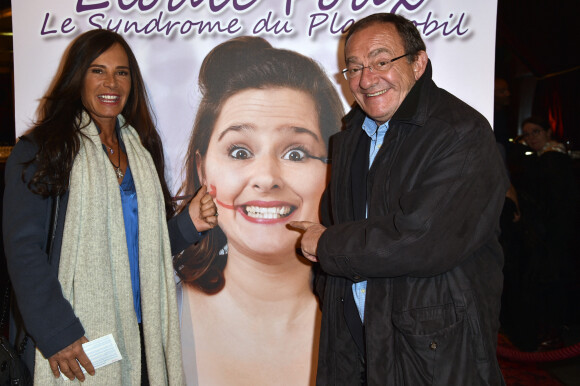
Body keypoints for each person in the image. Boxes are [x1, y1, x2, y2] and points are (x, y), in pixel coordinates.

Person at [290, 13, 509, 384]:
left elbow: (420, 239)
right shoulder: (351, 135)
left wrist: (326, 245)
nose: (366, 78)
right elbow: (338, 218)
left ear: (418, 63)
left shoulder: (459, 133)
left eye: (380, 61)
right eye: (354, 67)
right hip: (354, 341)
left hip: (431, 347)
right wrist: (332, 290)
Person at [3, 29, 217, 384]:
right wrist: (59, 332)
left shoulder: (141, 150)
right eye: (97, 70)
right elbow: (24, 251)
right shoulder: (42, 150)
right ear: (77, 77)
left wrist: (187, 224)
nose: (111, 83)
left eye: (122, 72)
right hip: (74, 336)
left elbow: (146, 248)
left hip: (141, 331)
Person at [174, 36, 343, 385]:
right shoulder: (155, 315)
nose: (266, 178)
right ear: (203, 169)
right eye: (239, 152)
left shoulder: (371, 319)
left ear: (334, 168)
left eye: (296, 153)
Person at [503, 116, 579, 350]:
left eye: (536, 132)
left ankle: (553, 332)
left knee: (548, 283)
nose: (532, 137)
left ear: (548, 132)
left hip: (554, 234)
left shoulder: (552, 160)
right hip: (552, 233)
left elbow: (553, 202)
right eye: (527, 134)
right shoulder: (548, 158)